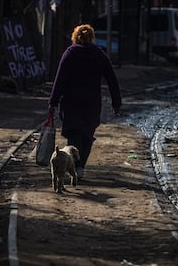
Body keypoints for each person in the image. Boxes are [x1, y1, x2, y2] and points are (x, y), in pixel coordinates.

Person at [48, 24, 122, 179]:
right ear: (92, 37)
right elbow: (112, 80)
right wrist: (116, 103)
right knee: (87, 136)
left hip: (72, 103)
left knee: (74, 134)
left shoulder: (69, 54)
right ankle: (80, 167)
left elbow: (59, 80)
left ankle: (74, 166)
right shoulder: (99, 54)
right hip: (92, 104)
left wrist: (53, 102)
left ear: (75, 37)